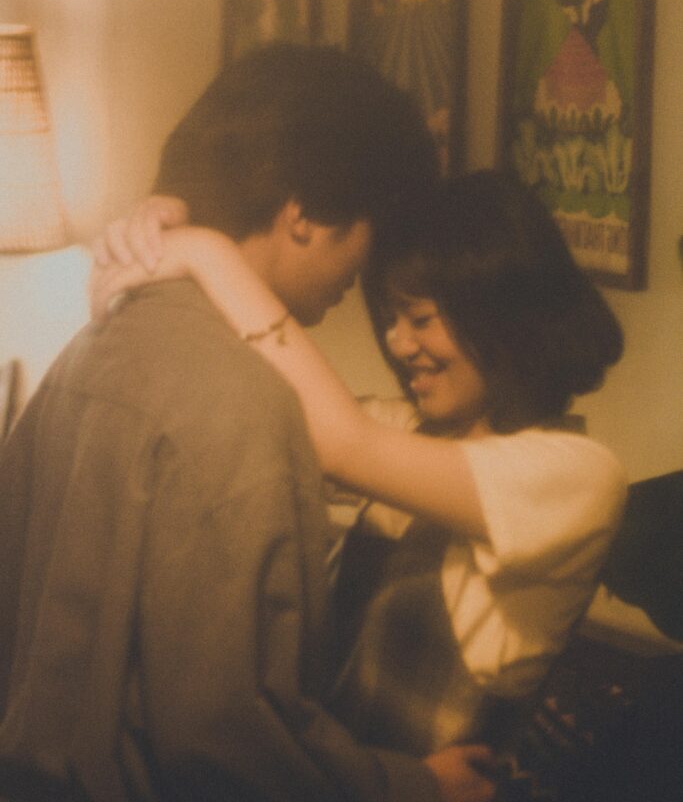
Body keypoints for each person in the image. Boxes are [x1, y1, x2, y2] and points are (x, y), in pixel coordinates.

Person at [0, 43, 498, 802]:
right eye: (368, 231)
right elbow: (223, 735)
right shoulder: (242, 403)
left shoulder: (95, 345)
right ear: (304, 216)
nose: (362, 273)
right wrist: (409, 786)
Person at [89, 168, 628, 763]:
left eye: (419, 319)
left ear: (503, 315)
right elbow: (265, 390)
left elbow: (344, 446)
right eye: (391, 320)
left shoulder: (578, 476)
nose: (397, 343)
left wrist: (208, 252)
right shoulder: (409, 429)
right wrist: (170, 219)